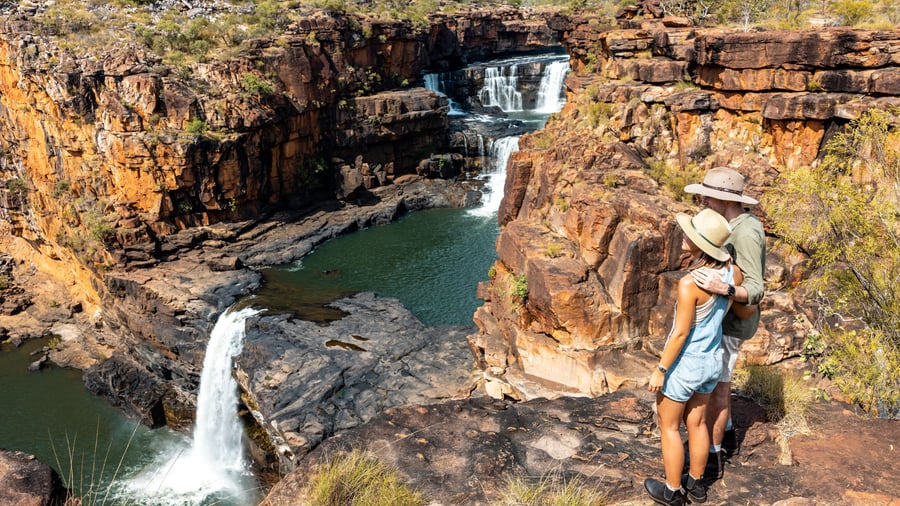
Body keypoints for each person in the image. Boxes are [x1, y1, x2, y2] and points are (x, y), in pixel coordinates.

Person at [644, 208, 753, 506]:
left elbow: (680, 334)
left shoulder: (690, 283)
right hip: (710, 363)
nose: (682, 239)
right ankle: (697, 485)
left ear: (700, 244)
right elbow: (747, 303)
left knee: (669, 426)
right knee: (698, 424)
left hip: (685, 365)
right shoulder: (733, 273)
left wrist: (661, 369)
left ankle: (672, 491)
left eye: (688, 236)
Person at [684, 167, 766, 480]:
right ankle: (727, 434)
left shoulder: (746, 231)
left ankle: (712, 460)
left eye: (708, 195)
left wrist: (724, 289)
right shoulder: (733, 223)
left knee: (718, 388)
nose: (702, 199)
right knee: (721, 381)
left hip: (732, 324)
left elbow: (756, 289)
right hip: (726, 319)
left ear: (724, 199)